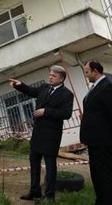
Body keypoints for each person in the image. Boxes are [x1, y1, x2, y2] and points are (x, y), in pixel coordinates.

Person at [9, 65, 74, 202]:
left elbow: (66, 114)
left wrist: (46, 111)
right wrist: (20, 85)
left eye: (53, 75)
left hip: (51, 135)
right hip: (37, 133)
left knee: (50, 166)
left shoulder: (67, 94)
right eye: (50, 74)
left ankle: (50, 195)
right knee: (34, 162)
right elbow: (31, 91)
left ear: (61, 78)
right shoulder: (44, 87)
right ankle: (35, 191)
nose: (50, 77)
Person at [80, 60, 112, 205]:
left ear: (95, 71)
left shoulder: (107, 87)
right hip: (94, 140)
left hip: (103, 140)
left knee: (105, 174)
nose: (86, 75)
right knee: (96, 173)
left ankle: (109, 201)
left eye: (87, 72)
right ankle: (100, 200)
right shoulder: (95, 87)